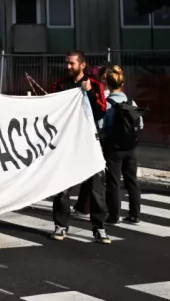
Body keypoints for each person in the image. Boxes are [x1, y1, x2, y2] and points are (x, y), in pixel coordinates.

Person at [50, 50, 109, 244]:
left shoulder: (96, 85)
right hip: (66, 143)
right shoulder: (60, 85)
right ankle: (60, 224)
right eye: (66, 63)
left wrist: (90, 91)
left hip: (88, 143)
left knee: (95, 188)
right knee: (62, 187)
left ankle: (99, 227)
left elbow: (100, 112)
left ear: (82, 65)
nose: (68, 67)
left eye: (71, 64)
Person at [101, 65, 143, 225]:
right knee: (131, 180)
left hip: (113, 148)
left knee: (113, 181)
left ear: (108, 85)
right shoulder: (131, 102)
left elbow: (101, 124)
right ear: (122, 84)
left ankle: (113, 215)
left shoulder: (108, 103)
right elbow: (140, 123)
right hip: (131, 147)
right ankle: (135, 214)